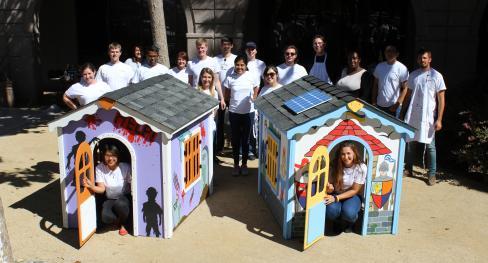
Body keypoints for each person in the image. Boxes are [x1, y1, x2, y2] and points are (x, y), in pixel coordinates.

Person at [403, 48, 446, 186]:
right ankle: (408, 169)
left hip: (428, 117)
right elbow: (408, 95)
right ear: (418, 59)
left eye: (425, 58)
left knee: (430, 146)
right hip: (413, 115)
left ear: (430, 59)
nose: (423, 60)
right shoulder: (413, 75)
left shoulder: (437, 76)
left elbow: (441, 99)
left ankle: (432, 174)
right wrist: (402, 111)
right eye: (421, 58)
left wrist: (439, 119)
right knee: (410, 143)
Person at [82, 144, 132, 236]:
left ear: (117, 156)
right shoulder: (100, 168)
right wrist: (91, 186)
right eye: (107, 155)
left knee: (121, 204)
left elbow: (132, 185)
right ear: (104, 156)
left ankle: (124, 224)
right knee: (106, 217)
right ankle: (119, 219)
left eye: (113, 155)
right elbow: (101, 189)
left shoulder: (125, 167)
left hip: (124, 197)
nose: (110, 158)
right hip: (110, 198)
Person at [223, 55, 259, 176]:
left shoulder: (251, 76)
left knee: (246, 140)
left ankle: (244, 164)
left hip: (248, 112)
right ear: (234, 65)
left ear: (246, 66)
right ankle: (236, 165)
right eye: (237, 65)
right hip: (234, 113)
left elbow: (256, 87)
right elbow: (226, 95)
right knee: (235, 139)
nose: (239, 67)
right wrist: (230, 104)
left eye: (242, 65)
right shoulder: (229, 78)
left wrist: (254, 97)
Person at [324, 142, 367, 233]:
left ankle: (351, 222)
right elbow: (329, 184)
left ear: (354, 153)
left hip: (352, 196)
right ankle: (338, 222)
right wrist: (329, 188)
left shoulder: (360, 167)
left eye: (348, 153)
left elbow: (355, 190)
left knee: (349, 213)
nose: (345, 157)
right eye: (343, 154)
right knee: (331, 211)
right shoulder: (335, 165)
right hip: (336, 193)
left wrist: (336, 198)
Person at [187, 38, 226, 110]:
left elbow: (217, 82)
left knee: (212, 119)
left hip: (211, 95)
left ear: (206, 48)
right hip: (196, 97)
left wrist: (222, 98)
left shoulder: (213, 61)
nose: (200, 50)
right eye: (198, 48)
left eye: (202, 47)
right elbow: (190, 83)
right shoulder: (191, 63)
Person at [372, 45, 409, 117]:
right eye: (387, 51)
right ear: (385, 53)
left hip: (393, 107)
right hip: (379, 105)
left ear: (397, 54)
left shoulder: (402, 68)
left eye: (392, 51)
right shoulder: (379, 66)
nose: (390, 53)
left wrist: (397, 104)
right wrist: (373, 102)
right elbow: (375, 85)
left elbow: (405, 88)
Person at [214, 37, 236, 155]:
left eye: (228, 44)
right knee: (219, 123)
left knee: (234, 123)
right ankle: (219, 148)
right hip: (219, 96)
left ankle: (234, 148)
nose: (226, 46)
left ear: (232, 45)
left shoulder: (235, 59)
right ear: (221, 45)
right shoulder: (215, 59)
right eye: (224, 44)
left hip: (232, 97)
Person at [197, 67, 218, 133]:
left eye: (209, 77)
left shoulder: (214, 93)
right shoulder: (195, 91)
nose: (207, 79)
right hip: (198, 127)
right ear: (200, 78)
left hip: (210, 126)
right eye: (204, 77)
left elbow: (215, 110)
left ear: (212, 78)